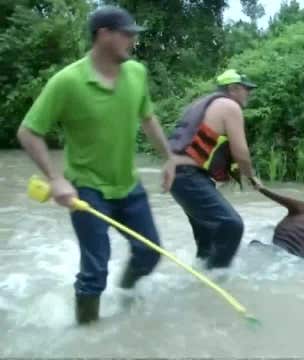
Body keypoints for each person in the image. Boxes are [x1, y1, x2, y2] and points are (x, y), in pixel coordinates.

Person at [16, 6, 177, 325]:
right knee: (95, 270)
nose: (132, 40)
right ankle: (87, 336)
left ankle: (126, 296)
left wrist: (168, 157)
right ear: (104, 35)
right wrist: (55, 179)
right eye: (127, 34)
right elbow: (28, 131)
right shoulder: (67, 82)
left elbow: (148, 118)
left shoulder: (137, 73)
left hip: (128, 185)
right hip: (87, 191)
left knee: (149, 252)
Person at [168, 69, 263, 270]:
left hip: (178, 177)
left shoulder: (203, 104)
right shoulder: (230, 106)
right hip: (188, 176)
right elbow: (241, 151)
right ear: (233, 88)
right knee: (232, 225)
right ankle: (218, 280)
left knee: (208, 243)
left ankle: (201, 284)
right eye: (246, 89)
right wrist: (251, 176)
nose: (249, 93)